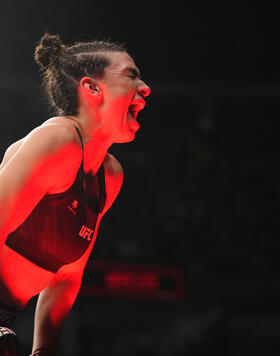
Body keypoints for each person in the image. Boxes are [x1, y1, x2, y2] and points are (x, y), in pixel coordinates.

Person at [0, 33, 151, 355]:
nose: (145, 88)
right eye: (131, 75)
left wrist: (44, 351)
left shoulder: (110, 176)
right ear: (92, 88)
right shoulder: (58, 139)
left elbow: (67, 276)